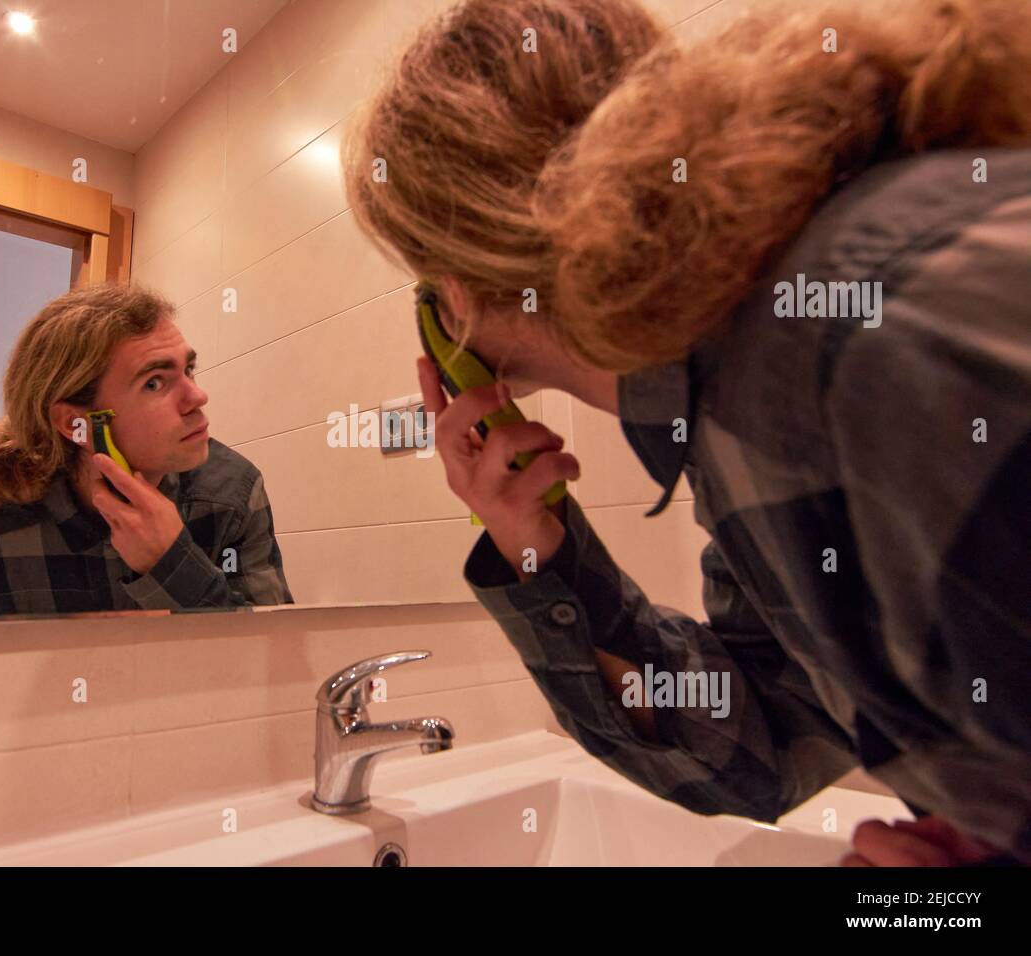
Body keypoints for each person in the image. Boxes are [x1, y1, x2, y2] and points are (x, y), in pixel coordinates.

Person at [343, 0, 1030, 864]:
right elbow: (765, 745)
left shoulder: (854, 340)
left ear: (458, 286)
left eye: (425, 282)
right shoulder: (738, 397)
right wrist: (535, 545)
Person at [0, 282, 293, 616]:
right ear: (75, 423)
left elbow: (272, 657)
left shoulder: (230, 494)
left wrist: (175, 566)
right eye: (154, 383)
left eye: (188, 370)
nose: (197, 396)